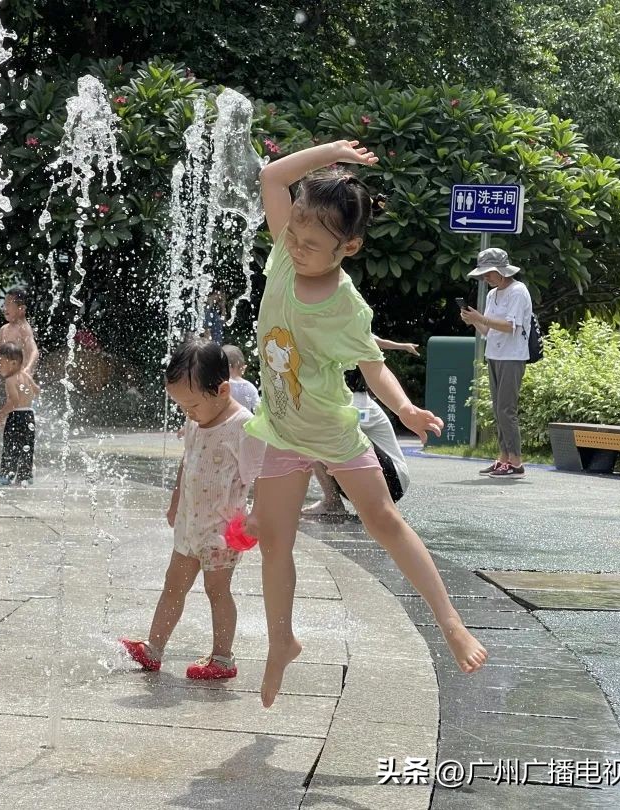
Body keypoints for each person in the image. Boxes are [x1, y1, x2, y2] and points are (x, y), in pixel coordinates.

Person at [245, 140, 487, 707]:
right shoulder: (283, 252)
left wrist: (404, 410)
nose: (298, 249)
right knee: (274, 542)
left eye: (313, 244)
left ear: (348, 247)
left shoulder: (346, 307)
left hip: (330, 429)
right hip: (280, 429)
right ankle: (281, 641)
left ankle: (449, 622)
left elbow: (373, 368)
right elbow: (273, 178)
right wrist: (330, 152)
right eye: (296, 237)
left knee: (381, 519)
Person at [121, 340, 264, 680]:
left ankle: (223, 659)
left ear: (222, 389)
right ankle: (153, 649)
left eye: (192, 405)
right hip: (189, 523)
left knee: (217, 591)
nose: (188, 412)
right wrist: (175, 503)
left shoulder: (244, 427)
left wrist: (257, 517)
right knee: (173, 585)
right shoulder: (196, 422)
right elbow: (188, 463)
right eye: (182, 407)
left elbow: (260, 475)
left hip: (221, 531)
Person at [303, 337, 417, 519]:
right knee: (312, 436)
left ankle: (333, 503)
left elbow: (368, 338)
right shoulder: (341, 400)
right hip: (369, 481)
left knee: (320, 433)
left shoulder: (360, 403)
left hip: (393, 481)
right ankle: (332, 502)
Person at [460, 248, 534, 479]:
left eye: (488, 273)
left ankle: (516, 462)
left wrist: (480, 318)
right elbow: (488, 330)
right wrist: (473, 320)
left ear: (501, 271)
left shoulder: (518, 291)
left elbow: (510, 326)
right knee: (498, 409)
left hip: (513, 356)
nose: (485, 278)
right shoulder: (493, 295)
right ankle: (503, 458)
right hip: (494, 354)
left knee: (506, 409)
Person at [0, 342, 41, 486]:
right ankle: (25, 475)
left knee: (10, 445)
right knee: (27, 446)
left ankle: (6, 475)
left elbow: (14, 401)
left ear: (13, 363)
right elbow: (37, 390)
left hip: (16, 416)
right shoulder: (26, 375)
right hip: (29, 415)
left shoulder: (10, 380)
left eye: (0, 363)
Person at [222, 343, 259, 412]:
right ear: (243, 368)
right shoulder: (250, 387)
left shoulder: (221, 386)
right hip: (245, 422)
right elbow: (258, 410)